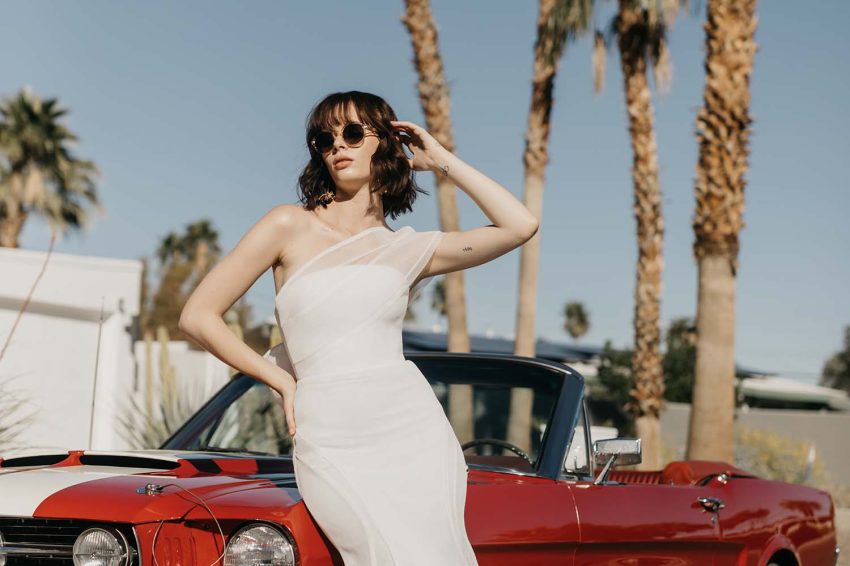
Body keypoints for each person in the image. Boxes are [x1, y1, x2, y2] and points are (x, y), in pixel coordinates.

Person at [179, 91, 538, 565]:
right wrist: (281, 380)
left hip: (411, 428)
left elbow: (520, 225)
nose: (336, 146)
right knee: (372, 550)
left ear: (385, 143)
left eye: (351, 133)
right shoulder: (288, 225)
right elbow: (197, 316)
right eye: (323, 139)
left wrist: (442, 160)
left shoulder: (409, 250)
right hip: (327, 425)